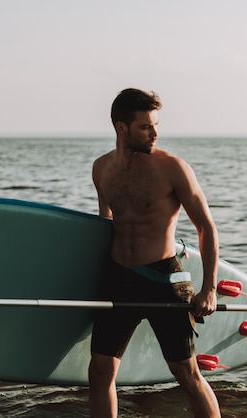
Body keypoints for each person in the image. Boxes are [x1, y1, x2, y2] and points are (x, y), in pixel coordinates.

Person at [88, 88, 221, 418]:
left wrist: (209, 289)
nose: (155, 133)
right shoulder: (102, 168)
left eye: (156, 125)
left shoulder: (173, 168)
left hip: (163, 279)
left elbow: (206, 228)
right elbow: (106, 225)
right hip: (119, 278)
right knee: (100, 371)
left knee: (186, 375)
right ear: (122, 128)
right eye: (146, 126)